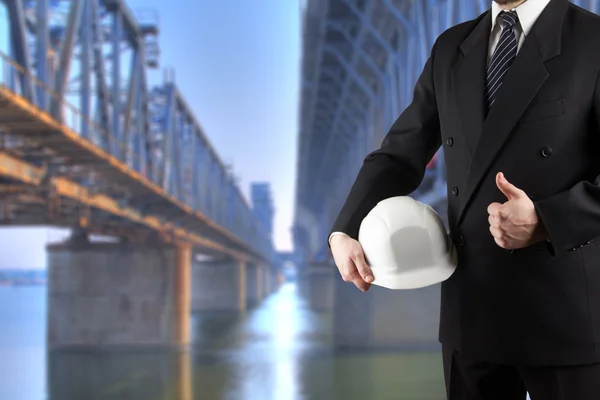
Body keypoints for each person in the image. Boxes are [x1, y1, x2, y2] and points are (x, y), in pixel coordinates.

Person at [328, 0, 600, 398]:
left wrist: (547, 220)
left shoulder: (592, 41)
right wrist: (344, 229)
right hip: (471, 312)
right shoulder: (450, 47)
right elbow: (400, 154)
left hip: (567, 316)